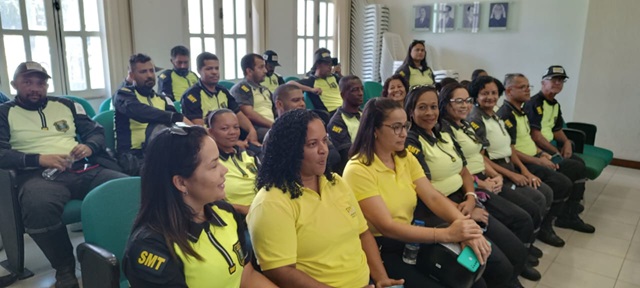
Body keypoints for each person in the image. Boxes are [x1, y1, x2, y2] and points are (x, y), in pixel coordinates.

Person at [0, 61, 127, 288]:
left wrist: (89, 146)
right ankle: (65, 269)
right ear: (14, 84)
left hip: (81, 168)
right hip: (37, 175)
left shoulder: (67, 105)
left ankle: (125, 255)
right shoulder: (4, 112)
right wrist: (38, 158)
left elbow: (96, 132)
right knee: (38, 205)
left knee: (126, 188)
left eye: (40, 83)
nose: (34, 88)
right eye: (27, 82)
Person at [342, 97, 490, 288]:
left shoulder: (404, 157)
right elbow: (387, 226)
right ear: (375, 130)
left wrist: (465, 227)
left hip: (412, 236)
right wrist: (446, 234)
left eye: (405, 126)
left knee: (473, 279)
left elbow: (433, 197)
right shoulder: (358, 170)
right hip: (383, 247)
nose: (404, 133)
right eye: (396, 127)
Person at [247, 109, 403, 288]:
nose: (324, 150)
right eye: (312, 144)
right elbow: (281, 272)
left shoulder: (335, 182)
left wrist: (381, 278)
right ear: (290, 151)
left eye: (324, 140)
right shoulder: (272, 202)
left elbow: (363, 234)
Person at [403, 87, 533, 286]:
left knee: (515, 249)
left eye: (433, 106)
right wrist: (463, 213)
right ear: (411, 111)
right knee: (497, 264)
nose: (430, 113)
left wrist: (471, 198)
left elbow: (464, 171)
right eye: (422, 107)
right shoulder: (411, 140)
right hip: (438, 209)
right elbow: (428, 192)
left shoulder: (442, 132)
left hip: (466, 198)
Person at [122, 124, 275, 287]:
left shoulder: (225, 213)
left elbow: (247, 276)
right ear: (181, 182)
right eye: (214, 165)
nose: (225, 170)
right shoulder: (151, 247)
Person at [438, 82, 546, 278]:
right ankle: (515, 263)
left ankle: (519, 260)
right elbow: (458, 168)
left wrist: (496, 175)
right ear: (445, 104)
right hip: (473, 185)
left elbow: (480, 156)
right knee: (520, 218)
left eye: (467, 101)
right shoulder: (444, 130)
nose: (465, 105)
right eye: (458, 101)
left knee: (526, 213)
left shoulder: (466, 125)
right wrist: (480, 184)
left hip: (484, 179)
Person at [464, 75, 570, 248]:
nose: (490, 97)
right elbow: (481, 157)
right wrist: (510, 174)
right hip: (497, 172)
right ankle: (524, 246)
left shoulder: (495, 116)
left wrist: (524, 171)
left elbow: (509, 148)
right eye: (485, 93)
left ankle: (532, 240)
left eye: (493, 93)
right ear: (476, 95)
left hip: (509, 166)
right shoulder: (476, 119)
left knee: (544, 194)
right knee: (535, 202)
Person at [516, 71, 595, 233]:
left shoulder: (554, 104)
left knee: (579, 163)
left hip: (544, 149)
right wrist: (554, 151)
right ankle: (566, 214)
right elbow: (535, 136)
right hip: (539, 150)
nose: (558, 83)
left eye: (561, 80)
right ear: (543, 82)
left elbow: (557, 129)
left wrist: (566, 142)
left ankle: (569, 208)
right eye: (553, 80)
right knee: (574, 168)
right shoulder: (533, 104)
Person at [114, 53, 191, 176]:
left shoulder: (163, 99)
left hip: (163, 150)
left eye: (151, 71)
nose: (149, 75)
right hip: (134, 156)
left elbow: (179, 123)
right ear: (132, 75)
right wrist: (173, 117)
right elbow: (139, 111)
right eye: (143, 72)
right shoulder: (123, 95)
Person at [180, 52, 259, 147]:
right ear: (199, 71)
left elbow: (238, 114)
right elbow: (199, 129)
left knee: (259, 152)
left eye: (216, 68)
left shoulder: (223, 91)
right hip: (206, 143)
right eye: (209, 69)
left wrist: (251, 130)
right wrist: (234, 143)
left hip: (229, 138)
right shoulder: (192, 95)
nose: (214, 72)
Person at [206, 109, 259, 216]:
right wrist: (241, 209)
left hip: (262, 209)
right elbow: (210, 201)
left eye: (236, 127)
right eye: (225, 128)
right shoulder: (209, 163)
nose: (232, 132)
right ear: (211, 132)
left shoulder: (249, 155)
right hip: (235, 217)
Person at [230, 53, 275, 142]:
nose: (265, 71)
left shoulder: (265, 89)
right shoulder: (241, 88)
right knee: (281, 137)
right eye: (261, 67)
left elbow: (276, 110)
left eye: (264, 67)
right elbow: (248, 114)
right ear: (249, 71)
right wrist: (273, 125)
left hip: (270, 126)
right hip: (255, 129)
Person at [327, 75, 364, 174]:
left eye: (361, 89)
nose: (360, 93)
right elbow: (347, 154)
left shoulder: (364, 114)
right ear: (343, 95)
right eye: (355, 90)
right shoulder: (337, 122)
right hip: (354, 169)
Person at [288, 48, 342, 114]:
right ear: (317, 65)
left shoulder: (334, 77)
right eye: (326, 64)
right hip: (332, 114)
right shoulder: (311, 80)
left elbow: (348, 84)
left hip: (344, 109)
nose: (330, 67)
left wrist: (339, 74)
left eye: (330, 64)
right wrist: (311, 89)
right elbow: (289, 84)